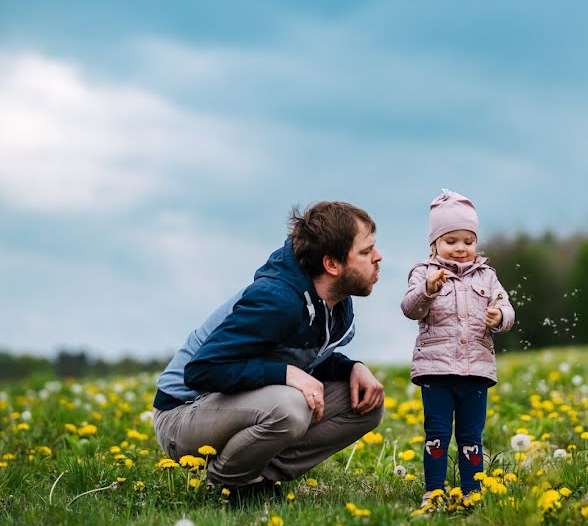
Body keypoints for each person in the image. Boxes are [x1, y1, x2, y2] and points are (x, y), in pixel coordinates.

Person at [153, 201, 385, 503]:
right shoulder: (277, 301)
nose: (378, 258)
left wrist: (351, 367)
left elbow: (301, 356)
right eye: (366, 252)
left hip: (229, 407)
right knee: (291, 405)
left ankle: (257, 478)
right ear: (332, 264)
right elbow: (202, 370)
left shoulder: (333, 303)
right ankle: (225, 483)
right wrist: (288, 375)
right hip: (182, 413)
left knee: (366, 403)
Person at [401, 190, 515, 507]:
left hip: (476, 370)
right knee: (437, 433)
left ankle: (471, 492)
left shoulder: (488, 276)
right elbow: (410, 308)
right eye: (451, 241)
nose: (461, 248)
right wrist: (427, 291)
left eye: (468, 240)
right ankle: (434, 491)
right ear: (435, 243)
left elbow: (507, 309)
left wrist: (500, 317)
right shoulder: (423, 273)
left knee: (471, 437)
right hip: (436, 371)